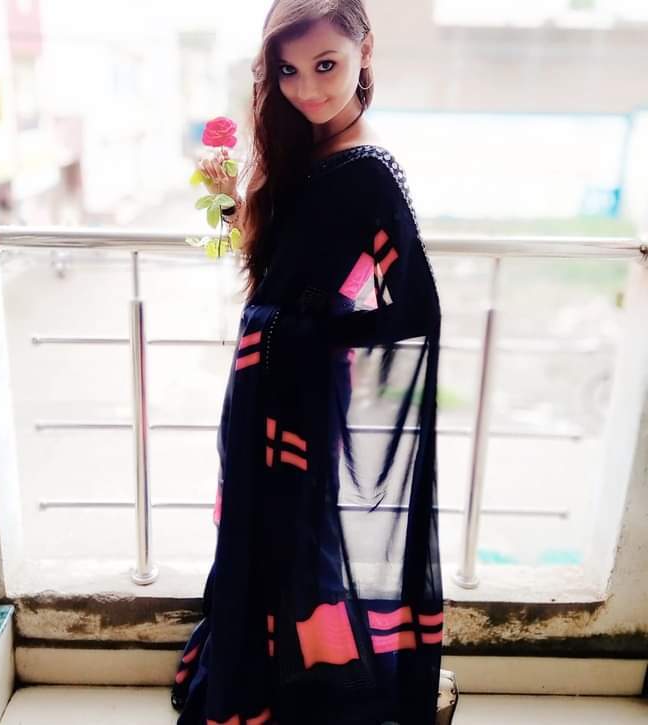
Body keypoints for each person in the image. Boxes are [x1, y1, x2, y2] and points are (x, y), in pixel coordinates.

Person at [171, 2, 444, 723]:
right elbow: (281, 261)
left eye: (327, 65)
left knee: (299, 536)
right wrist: (230, 206)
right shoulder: (303, 147)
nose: (308, 88)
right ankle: (265, 674)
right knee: (257, 529)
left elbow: (414, 308)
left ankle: (305, 684)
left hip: (299, 383)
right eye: (289, 71)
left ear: (365, 51)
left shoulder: (370, 170)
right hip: (257, 376)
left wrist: (318, 331)